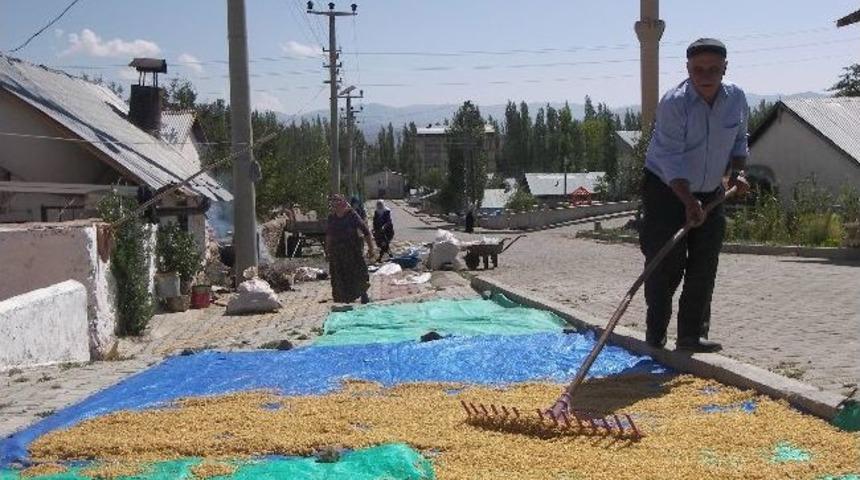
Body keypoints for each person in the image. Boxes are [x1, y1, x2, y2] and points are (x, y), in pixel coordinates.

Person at [639, 38, 750, 353]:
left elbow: (740, 140)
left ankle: (690, 336)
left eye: (714, 69)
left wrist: (739, 173)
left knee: (704, 262)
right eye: (698, 69)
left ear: (724, 68)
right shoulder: (674, 103)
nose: (706, 75)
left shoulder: (736, 98)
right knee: (666, 264)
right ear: (688, 69)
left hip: (711, 189)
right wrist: (688, 201)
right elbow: (670, 159)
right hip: (666, 189)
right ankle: (655, 335)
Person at [326, 194, 375, 304]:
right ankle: (344, 299)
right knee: (339, 277)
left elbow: (365, 231)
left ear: (343, 203)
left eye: (338, 202)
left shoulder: (352, 215)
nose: (336, 205)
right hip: (337, 252)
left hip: (352, 250)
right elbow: (329, 235)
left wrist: (371, 248)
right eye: (333, 203)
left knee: (359, 273)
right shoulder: (331, 218)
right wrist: (327, 250)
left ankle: (363, 294)